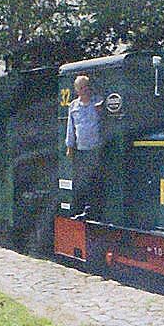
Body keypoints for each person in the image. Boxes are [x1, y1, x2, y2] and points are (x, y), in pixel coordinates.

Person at [65, 72, 104, 218]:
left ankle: (93, 209)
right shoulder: (73, 106)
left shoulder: (97, 102)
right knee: (82, 179)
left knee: (95, 179)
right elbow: (70, 127)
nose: (84, 89)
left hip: (96, 147)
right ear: (77, 90)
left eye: (86, 86)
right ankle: (81, 208)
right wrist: (70, 146)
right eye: (81, 87)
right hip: (81, 148)